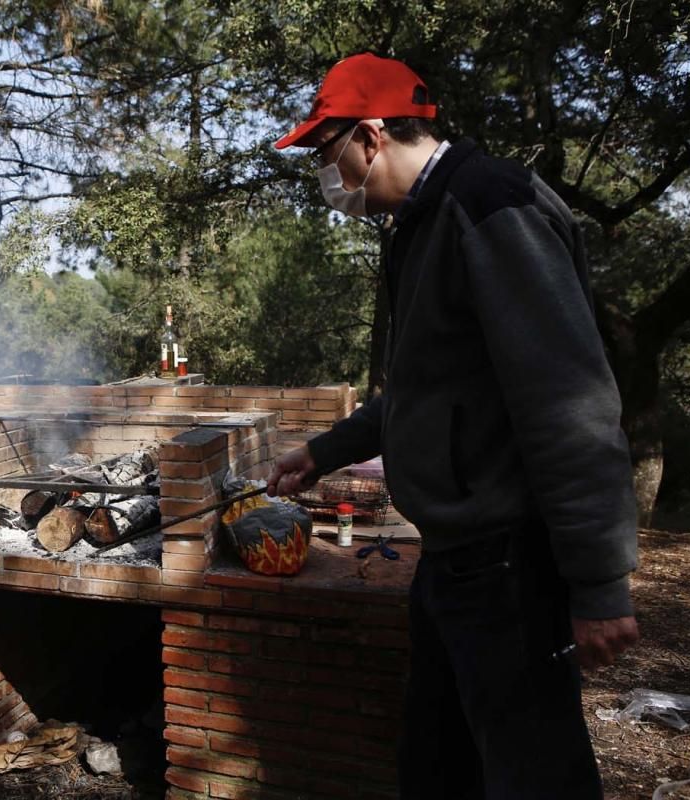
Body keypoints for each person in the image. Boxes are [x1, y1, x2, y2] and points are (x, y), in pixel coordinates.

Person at [267, 53, 639, 799]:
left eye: (326, 152)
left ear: (371, 138)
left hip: (507, 564)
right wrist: (326, 449)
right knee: (438, 764)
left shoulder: (491, 208)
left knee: (535, 772)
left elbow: (568, 401)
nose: (325, 175)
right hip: (456, 558)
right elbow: (427, 388)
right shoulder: (425, 221)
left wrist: (599, 582)